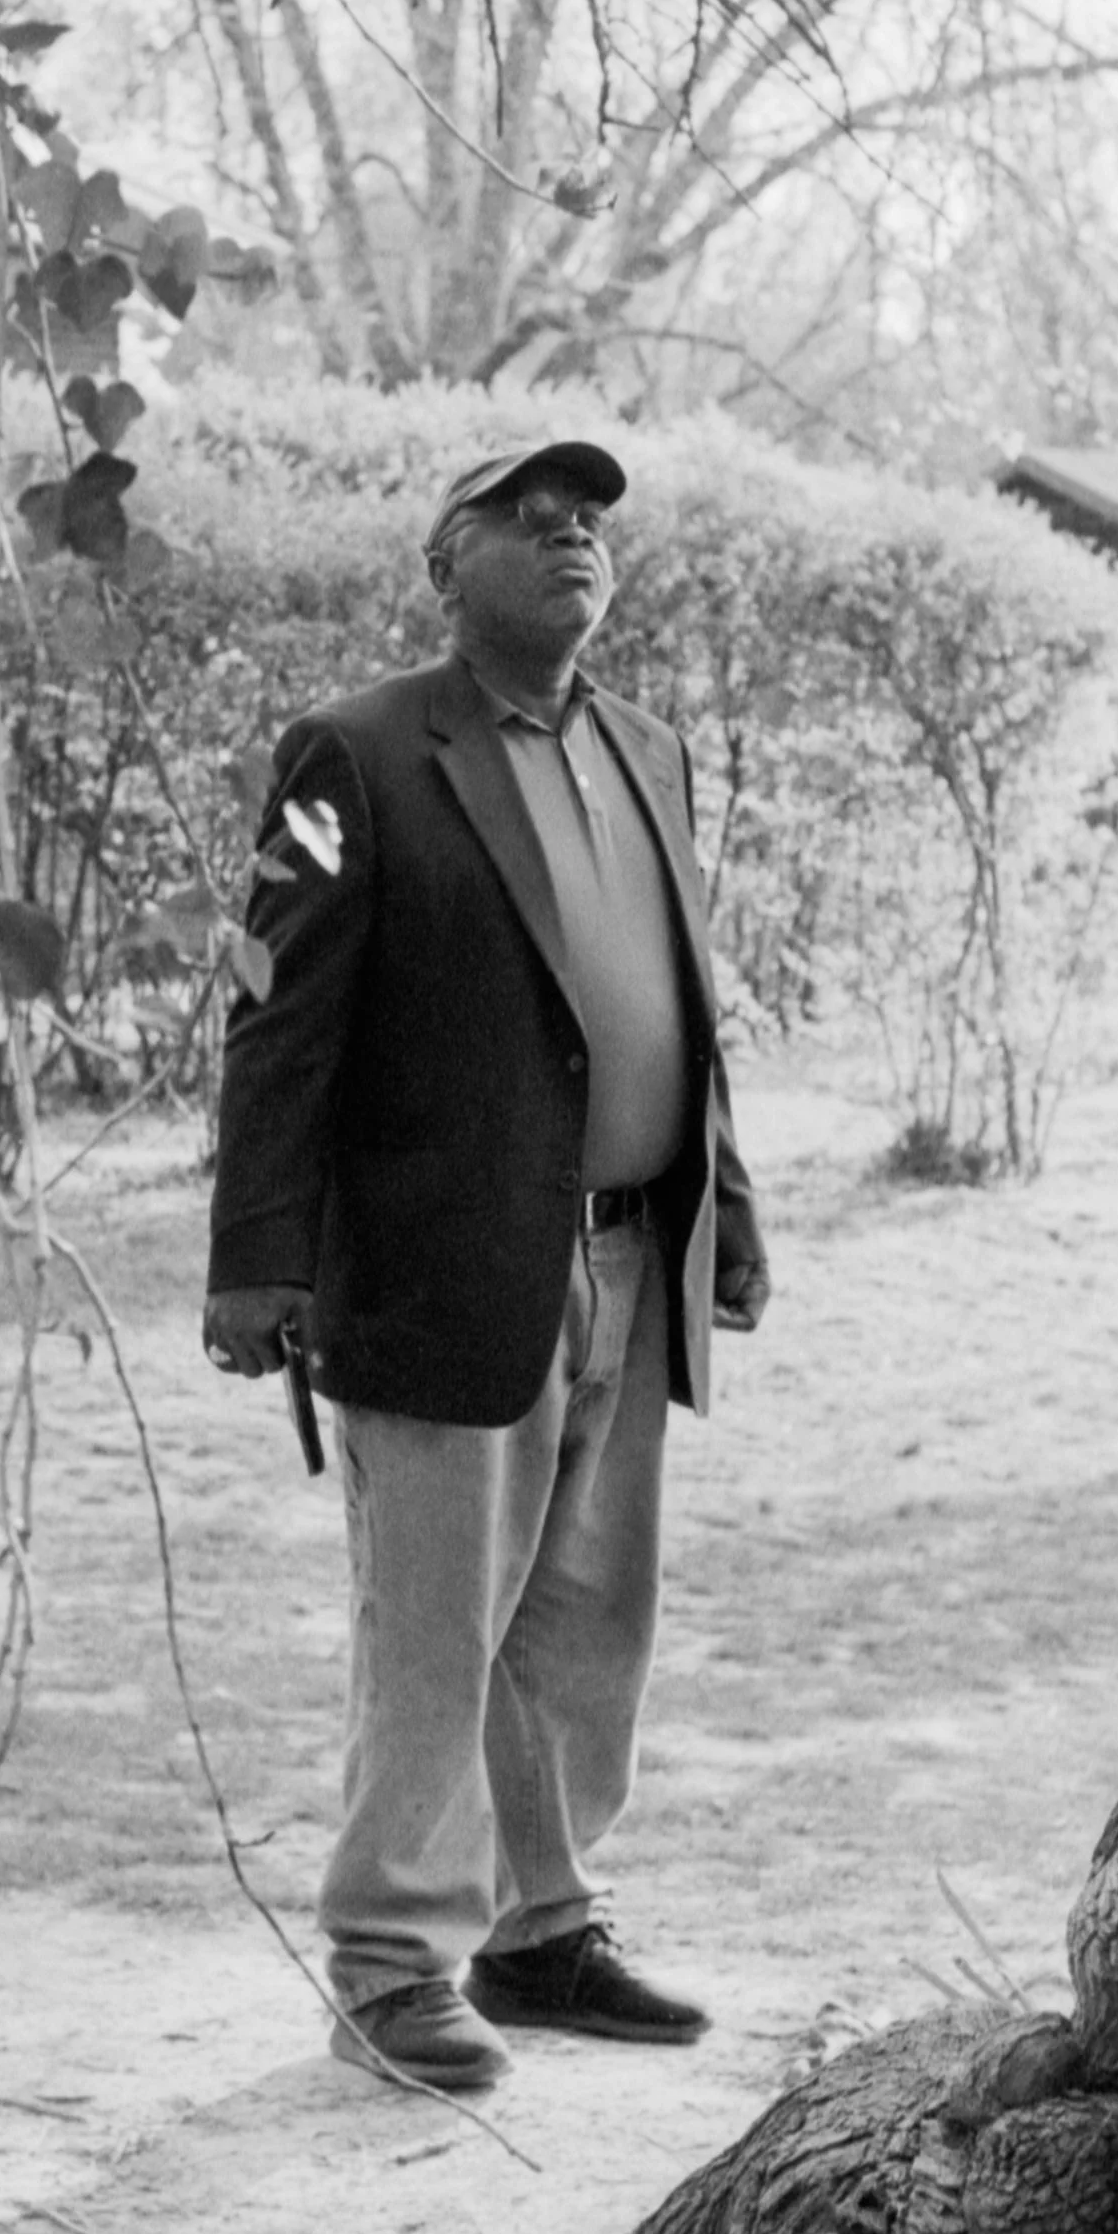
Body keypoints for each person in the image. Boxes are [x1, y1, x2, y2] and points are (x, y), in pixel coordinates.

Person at [202, 439, 770, 2094]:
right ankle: (390, 1966)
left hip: (626, 1260)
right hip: (441, 1270)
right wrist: (258, 1260)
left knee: (590, 1623)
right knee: (438, 1632)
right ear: (446, 569)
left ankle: (544, 1931)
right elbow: (276, 1021)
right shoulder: (351, 754)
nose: (570, 534)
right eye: (527, 518)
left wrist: (718, 1200)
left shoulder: (651, 749)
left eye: (588, 516)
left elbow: (678, 997)